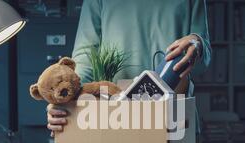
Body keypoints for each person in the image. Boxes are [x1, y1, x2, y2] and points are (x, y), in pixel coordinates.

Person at [47, 0, 211, 133]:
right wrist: (66, 100)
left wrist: (198, 43)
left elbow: (203, 61)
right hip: (115, 115)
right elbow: (86, 57)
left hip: (172, 113)